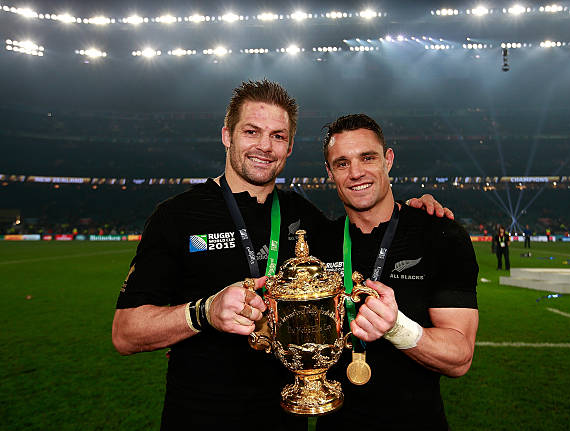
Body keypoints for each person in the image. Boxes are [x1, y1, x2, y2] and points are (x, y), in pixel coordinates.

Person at [111, 80, 451, 430]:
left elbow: (363, 233)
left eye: (278, 136)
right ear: (227, 136)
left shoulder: (303, 217)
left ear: (289, 147)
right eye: (252, 131)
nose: (265, 146)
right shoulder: (176, 217)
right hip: (201, 417)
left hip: (287, 417)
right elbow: (125, 333)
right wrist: (204, 312)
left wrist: (415, 211)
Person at [314, 114, 479, 431]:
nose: (356, 172)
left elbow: (460, 357)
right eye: (342, 163)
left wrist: (397, 327)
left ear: (388, 160)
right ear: (329, 172)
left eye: (367, 157)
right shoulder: (318, 242)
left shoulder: (440, 235)